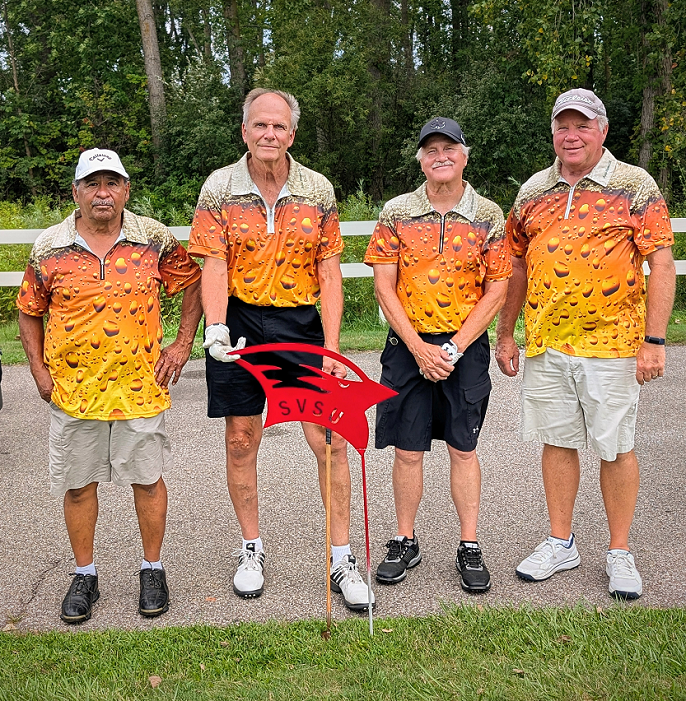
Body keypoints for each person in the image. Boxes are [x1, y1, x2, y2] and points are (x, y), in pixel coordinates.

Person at [188, 88, 373, 611]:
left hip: (300, 323)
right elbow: (214, 263)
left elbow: (330, 270)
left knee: (329, 441)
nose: (270, 134)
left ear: (292, 134)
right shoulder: (219, 187)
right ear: (244, 131)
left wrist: (332, 348)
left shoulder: (317, 188)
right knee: (242, 440)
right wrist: (216, 327)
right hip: (240, 319)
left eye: (279, 127)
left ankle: (341, 558)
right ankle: (251, 549)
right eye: (260, 126)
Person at [495, 88, 676, 599]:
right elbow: (517, 264)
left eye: (581, 125)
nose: (570, 136)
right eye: (562, 126)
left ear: (602, 130)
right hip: (547, 342)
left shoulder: (633, 186)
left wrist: (654, 340)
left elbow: (660, 263)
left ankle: (619, 551)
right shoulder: (533, 190)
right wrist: (506, 333)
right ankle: (561, 541)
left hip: (614, 345)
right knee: (557, 442)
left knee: (615, 446)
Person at [18, 148, 202, 623]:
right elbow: (28, 309)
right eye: (92, 184)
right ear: (75, 192)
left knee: (146, 479)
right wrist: (38, 369)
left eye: (112, 183)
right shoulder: (49, 246)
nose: (103, 193)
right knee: (79, 487)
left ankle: (152, 568)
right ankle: (85, 575)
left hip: (140, 386)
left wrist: (182, 346)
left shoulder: (153, 239)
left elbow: (193, 283)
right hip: (73, 390)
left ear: (125, 190)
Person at [364, 117, 511, 593]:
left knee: (463, 449)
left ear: (465, 155)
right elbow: (384, 284)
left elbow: (498, 288)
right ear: (421, 159)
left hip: (463, 346)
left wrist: (452, 347)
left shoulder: (488, 213)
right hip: (408, 345)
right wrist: (418, 348)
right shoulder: (396, 211)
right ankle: (405, 539)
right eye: (430, 149)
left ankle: (469, 543)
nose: (440, 156)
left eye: (449, 148)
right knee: (407, 450)